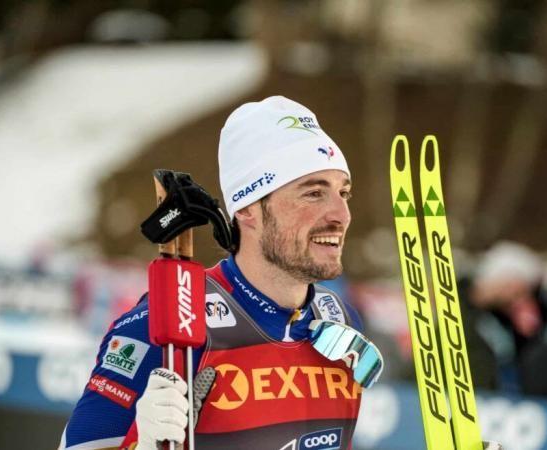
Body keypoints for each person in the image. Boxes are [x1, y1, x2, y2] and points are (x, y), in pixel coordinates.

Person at [59, 96, 371, 450]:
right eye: (313, 193)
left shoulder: (340, 319)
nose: (341, 214)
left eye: (343, 193)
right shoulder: (171, 318)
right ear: (249, 209)